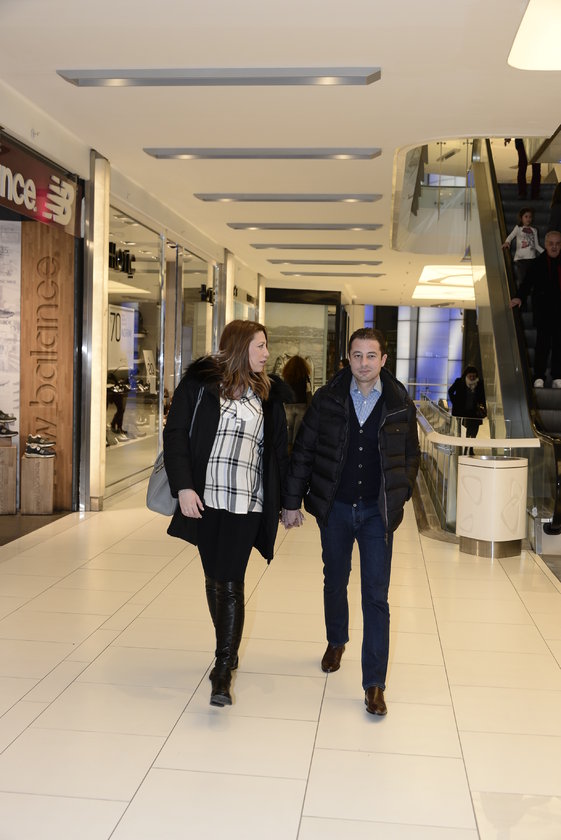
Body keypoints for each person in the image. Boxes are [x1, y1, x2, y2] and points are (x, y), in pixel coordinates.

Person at [282, 328, 419, 717]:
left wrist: (400, 495)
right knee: (335, 580)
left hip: (377, 513)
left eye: (371, 356)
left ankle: (374, 683)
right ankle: (336, 639)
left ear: (383, 360)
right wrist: (291, 501)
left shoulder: (399, 403)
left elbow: (411, 455)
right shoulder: (327, 399)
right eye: (357, 356)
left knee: (376, 596)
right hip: (337, 508)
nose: (364, 363)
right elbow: (304, 451)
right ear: (348, 358)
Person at [163, 320, 288, 707]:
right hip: (205, 500)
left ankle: (222, 669)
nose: (266, 354)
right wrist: (184, 487)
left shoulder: (267, 393)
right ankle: (227, 647)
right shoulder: (199, 385)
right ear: (239, 347)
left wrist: (287, 501)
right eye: (260, 346)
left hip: (247, 502)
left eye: (266, 346)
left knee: (231, 580)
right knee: (214, 577)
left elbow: (278, 451)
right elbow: (175, 435)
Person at [511, 229, 561, 388]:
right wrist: (519, 297)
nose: (554, 247)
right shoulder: (538, 263)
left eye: (557, 244)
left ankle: (557, 376)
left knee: (559, 345)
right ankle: (539, 376)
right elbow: (526, 283)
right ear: (545, 244)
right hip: (544, 312)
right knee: (542, 345)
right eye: (551, 244)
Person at [447, 366, 487, 455]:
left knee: (474, 430)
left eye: (474, 376)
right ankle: (465, 448)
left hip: (475, 412)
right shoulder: (459, 381)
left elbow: (483, 397)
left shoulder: (479, 383)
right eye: (470, 376)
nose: (472, 378)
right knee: (467, 431)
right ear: (466, 375)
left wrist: (483, 407)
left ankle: (471, 448)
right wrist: (455, 402)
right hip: (463, 412)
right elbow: (450, 391)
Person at [502, 207, 543, 291]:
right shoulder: (518, 228)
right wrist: (507, 242)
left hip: (532, 259)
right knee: (522, 279)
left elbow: (536, 245)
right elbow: (511, 236)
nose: (528, 219)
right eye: (526, 216)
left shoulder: (534, 230)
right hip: (521, 259)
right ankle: (521, 296)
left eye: (530, 217)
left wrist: (545, 252)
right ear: (521, 218)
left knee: (532, 279)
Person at [282, 355, 311, 450]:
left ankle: (288, 450)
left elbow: (284, 392)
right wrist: (310, 405)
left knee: (289, 430)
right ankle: (296, 451)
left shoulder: (286, 377)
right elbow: (308, 391)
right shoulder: (305, 377)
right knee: (297, 431)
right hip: (301, 406)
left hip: (289, 406)